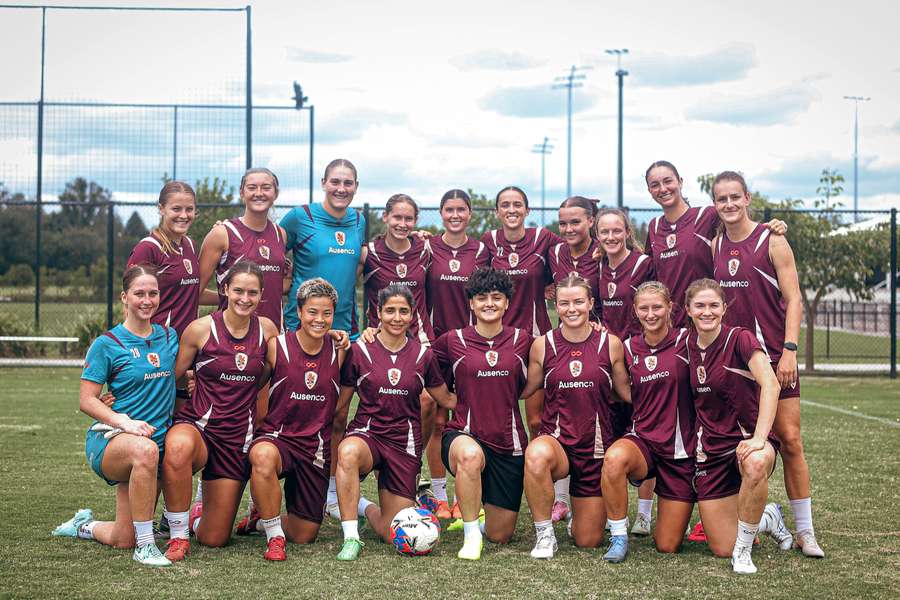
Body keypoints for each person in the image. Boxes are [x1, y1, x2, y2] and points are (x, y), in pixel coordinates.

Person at [710, 171, 822, 557]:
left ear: (747, 198)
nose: (728, 204)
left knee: (790, 440)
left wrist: (789, 350)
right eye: (721, 198)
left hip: (775, 357)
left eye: (734, 197)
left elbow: (793, 299)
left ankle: (805, 531)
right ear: (715, 203)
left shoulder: (773, 239)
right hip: (736, 362)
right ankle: (753, 516)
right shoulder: (716, 244)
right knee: (734, 443)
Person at [52, 264, 177, 567]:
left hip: (151, 448)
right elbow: (86, 400)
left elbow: (183, 376)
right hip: (112, 442)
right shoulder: (107, 343)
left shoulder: (169, 336)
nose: (147, 300)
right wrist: (124, 422)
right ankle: (147, 547)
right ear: (124, 297)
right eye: (139, 293)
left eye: (153, 293)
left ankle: (83, 525)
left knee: (123, 537)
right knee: (146, 450)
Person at [161, 261, 280, 561]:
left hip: (237, 439)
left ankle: (198, 514)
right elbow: (173, 376)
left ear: (261, 294)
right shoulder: (200, 329)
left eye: (252, 292)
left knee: (214, 539)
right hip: (199, 428)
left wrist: (336, 340)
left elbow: (277, 370)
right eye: (238, 290)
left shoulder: (267, 330)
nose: (244, 298)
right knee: (177, 446)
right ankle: (177, 537)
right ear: (225, 289)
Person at [334, 285, 455, 561]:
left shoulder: (424, 356)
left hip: (403, 443)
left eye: (403, 311)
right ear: (378, 313)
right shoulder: (359, 350)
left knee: (392, 532)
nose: (396, 317)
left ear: (412, 315)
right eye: (390, 310)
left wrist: (492, 395)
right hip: (369, 434)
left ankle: (364, 508)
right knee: (349, 452)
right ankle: (351, 537)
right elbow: (340, 403)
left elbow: (444, 399)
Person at [520, 275, 630, 559]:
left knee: (588, 540)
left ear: (591, 303)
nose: (572, 309)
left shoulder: (611, 343)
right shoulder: (542, 345)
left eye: (579, 302)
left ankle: (579, 519)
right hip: (558, 443)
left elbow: (625, 393)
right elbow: (526, 388)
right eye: (564, 303)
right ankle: (545, 535)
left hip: (595, 449)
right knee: (535, 455)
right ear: (555, 304)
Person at [432, 267, 534, 560]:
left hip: (508, 442)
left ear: (506, 303)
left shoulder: (524, 340)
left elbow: (541, 374)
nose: (489, 303)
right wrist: (450, 400)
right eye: (481, 297)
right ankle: (471, 534)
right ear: (471, 303)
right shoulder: (452, 341)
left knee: (501, 535)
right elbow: (425, 371)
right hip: (463, 434)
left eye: (496, 297)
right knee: (470, 456)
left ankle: (478, 513)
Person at [684, 278, 785, 574]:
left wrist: (759, 438)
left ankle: (743, 553)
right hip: (710, 450)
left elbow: (771, 384)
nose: (707, 312)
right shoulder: (684, 344)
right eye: (699, 306)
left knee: (755, 464)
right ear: (688, 310)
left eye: (714, 305)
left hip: (746, 442)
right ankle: (768, 517)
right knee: (719, 547)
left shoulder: (739, 339)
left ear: (724, 308)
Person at [245, 278, 348, 561]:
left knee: (305, 535)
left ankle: (258, 519)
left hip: (314, 448)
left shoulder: (341, 349)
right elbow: (247, 384)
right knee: (263, 456)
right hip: (278, 439)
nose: (320, 319)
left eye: (327, 313)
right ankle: (274, 535)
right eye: (312, 312)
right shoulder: (276, 346)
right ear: (299, 312)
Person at [599, 281, 696, 563]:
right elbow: (621, 389)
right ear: (635, 310)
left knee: (667, 545)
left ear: (670, 308)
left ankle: (765, 515)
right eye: (644, 308)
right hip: (643, 441)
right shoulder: (627, 347)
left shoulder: (686, 341)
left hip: (680, 451)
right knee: (614, 458)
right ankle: (618, 537)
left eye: (657, 307)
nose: (651, 314)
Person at [642, 161, 786, 328]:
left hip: (706, 325)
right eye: (655, 185)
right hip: (670, 331)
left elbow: (744, 229)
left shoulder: (707, 216)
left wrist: (777, 225)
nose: (663, 188)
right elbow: (645, 269)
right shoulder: (654, 227)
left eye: (668, 181)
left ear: (680, 181)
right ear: (649, 190)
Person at [423, 189, 489, 519]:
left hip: (470, 346)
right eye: (449, 209)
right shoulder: (427, 246)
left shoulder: (481, 249)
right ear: (440, 212)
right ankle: (438, 496)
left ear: (470, 213)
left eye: (461, 209)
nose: (455, 215)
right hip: (437, 345)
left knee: (471, 420)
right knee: (436, 421)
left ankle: (468, 497)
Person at [595, 208, 657, 535]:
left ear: (626, 231)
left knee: (645, 427)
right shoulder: (599, 266)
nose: (610, 237)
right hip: (609, 359)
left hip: (638, 354)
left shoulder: (643, 263)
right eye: (604, 232)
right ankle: (612, 511)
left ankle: (644, 514)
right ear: (597, 235)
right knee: (611, 430)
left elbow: (648, 308)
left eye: (616, 230)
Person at [544, 197, 602, 524]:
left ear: (591, 221)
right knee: (560, 418)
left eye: (575, 222)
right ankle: (561, 499)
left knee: (603, 422)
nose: (568, 229)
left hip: (601, 345)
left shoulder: (604, 250)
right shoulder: (554, 251)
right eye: (563, 223)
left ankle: (607, 500)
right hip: (563, 345)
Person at [280, 158, 366, 339]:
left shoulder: (359, 221)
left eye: (348, 183)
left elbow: (357, 264)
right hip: (302, 327)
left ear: (356, 186)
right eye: (335, 182)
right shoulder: (300, 216)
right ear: (323, 183)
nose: (341, 189)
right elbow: (267, 250)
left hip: (345, 328)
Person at [198, 167, 289, 331]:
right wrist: (235, 298)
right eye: (252, 187)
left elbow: (273, 289)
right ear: (242, 192)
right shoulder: (222, 233)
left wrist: (288, 279)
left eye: (266, 187)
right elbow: (194, 293)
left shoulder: (280, 234)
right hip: (232, 336)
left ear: (275, 193)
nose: (259, 193)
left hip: (273, 334)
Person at [127, 181, 213, 337]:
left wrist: (231, 297)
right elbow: (130, 303)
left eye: (189, 209)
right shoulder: (148, 248)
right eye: (176, 209)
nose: (184, 215)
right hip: (158, 345)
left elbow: (191, 293)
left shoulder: (191, 246)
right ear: (161, 209)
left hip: (187, 345)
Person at [481, 186, 558, 336]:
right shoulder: (489, 239)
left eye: (517, 204)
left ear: (527, 210)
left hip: (536, 333)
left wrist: (549, 281)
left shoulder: (542, 236)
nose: (511, 210)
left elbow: (573, 251)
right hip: (499, 333)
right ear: (496, 212)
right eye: (505, 205)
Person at [363, 194, 433, 344]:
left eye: (408, 219)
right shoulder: (368, 252)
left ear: (415, 221)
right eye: (397, 217)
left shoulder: (426, 249)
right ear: (385, 216)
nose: (402, 224)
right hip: (379, 341)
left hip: (420, 341)